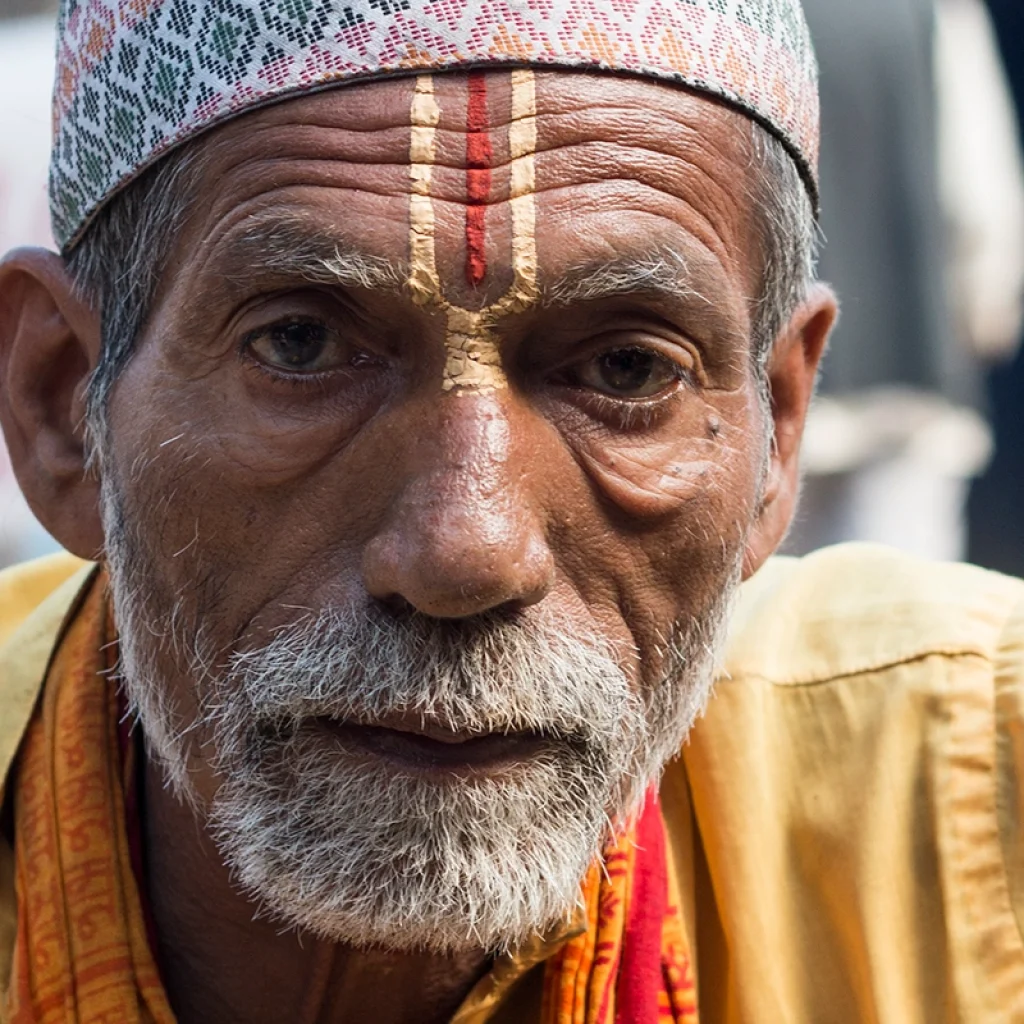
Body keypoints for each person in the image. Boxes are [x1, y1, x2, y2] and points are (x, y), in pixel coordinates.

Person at [0, 1, 1022, 1022]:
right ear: (62, 409)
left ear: (778, 436)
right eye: (301, 344)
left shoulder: (975, 793)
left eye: (626, 369)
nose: (463, 553)